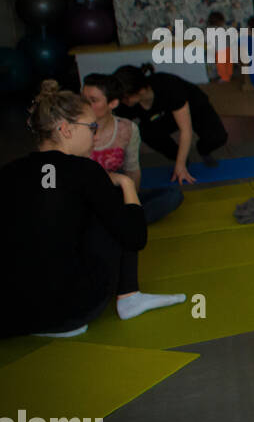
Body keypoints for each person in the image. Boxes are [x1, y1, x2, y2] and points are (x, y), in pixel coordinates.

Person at [0, 81, 187, 338]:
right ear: (65, 130)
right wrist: (126, 185)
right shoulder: (85, 171)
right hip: (71, 313)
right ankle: (130, 296)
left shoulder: (9, 172)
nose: (95, 136)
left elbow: (48, 189)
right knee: (118, 208)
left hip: (13, 315)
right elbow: (135, 237)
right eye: (91, 128)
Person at [82, 73, 183, 224]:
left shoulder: (127, 129)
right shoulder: (73, 128)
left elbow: (132, 169)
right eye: (83, 100)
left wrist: (131, 207)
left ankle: (122, 222)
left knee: (173, 195)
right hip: (85, 199)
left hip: (114, 196)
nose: (85, 106)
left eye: (93, 101)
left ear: (113, 103)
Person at [112, 63, 229, 183]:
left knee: (218, 137)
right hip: (165, 115)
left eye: (126, 98)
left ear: (140, 90)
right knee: (147, 132)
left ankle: (203, 150)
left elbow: (186, 130)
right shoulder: (124, 104)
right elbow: (118, 130)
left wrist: (180, 166)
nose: (122, 101)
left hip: (196, 108)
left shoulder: (168, 86)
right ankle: (180, 156)